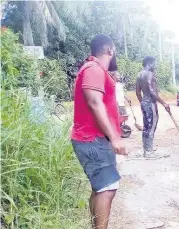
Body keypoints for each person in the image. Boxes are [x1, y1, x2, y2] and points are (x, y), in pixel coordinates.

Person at [71, 34, 126, 229]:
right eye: (115, 50)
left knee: (99, 188)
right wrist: (114, 138)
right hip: (92, 139)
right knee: (107, 188)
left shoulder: (94, 69)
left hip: (91, 139)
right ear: (110, 50)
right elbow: (94, 102)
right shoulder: (94, 68)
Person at [135, 56, 170, 159]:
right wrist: (164, 103)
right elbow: (152, 92)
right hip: (150, 103)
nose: (155, 66)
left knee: (146, 127)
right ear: (149, 64)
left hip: (145, 103)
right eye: (154, 63)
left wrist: (143, 103)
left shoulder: (139, 75)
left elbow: (137, 92)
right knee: (151, 126)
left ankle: (146, 150)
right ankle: (149, 152)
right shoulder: (150, 74)